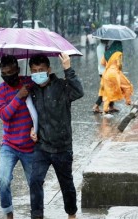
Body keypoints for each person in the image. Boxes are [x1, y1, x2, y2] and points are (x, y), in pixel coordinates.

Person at [28, 53, 84, 219]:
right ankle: (37, 216)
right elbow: (32, 114)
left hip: (62, 147)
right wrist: (32, 128)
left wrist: (68, 69)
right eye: (34, 71)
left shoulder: (61, 86)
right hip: (42, 147)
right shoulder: (32, 91)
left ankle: (71, 214)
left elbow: (79, 92)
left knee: (66, 184)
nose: (37, 73)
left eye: (41, 70)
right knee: (35, 180)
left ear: (49, 70)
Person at [0, 55, 35, 219]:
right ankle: (8, 214)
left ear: (17, 70)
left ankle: (36, 213)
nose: (8, 76)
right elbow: (4, 115)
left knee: (35, 184)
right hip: (9, 145)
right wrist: (18, 96)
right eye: (4, 73)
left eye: (11, 72)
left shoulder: (29, 83)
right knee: (3, 181)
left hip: (29, 146)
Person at [92, 39, 109, 113]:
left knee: (107, 88)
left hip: (101, 70)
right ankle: (96, 105)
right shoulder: (106, 47)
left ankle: (111, 105)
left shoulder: (98, 47)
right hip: (105, 71)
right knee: (105, 89)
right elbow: (107, 59)